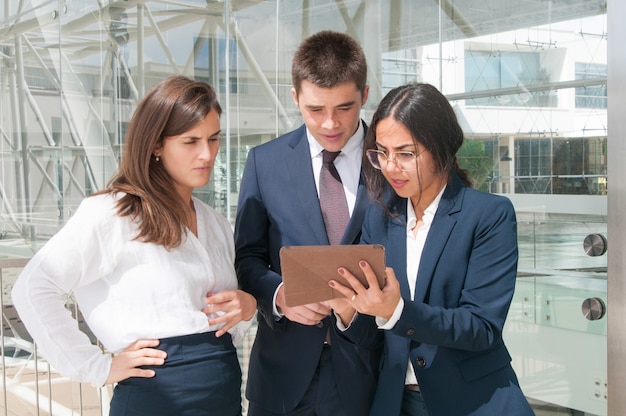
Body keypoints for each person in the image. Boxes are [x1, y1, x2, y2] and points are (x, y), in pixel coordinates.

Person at [11, 75, 256, 416]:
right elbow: (33, 287)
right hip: (156, 393)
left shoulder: (214, 221)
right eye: (190, 141)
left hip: (223, 385)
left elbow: (219, 318)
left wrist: (246, 308)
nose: (207, 154)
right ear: (156, 144)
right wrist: (96, 367)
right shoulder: (114, 212)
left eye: (214, 139)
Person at [328, 83, 534, 416]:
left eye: (405, 153)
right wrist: (349, 311)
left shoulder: (488, 215)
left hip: (473, 401)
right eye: (382, 152)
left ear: (441, 148)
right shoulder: (378, 219)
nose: (391, 166)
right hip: (396, 401)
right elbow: (375, 333)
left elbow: (481, 327)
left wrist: (397, 311)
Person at [234, 30, 382, 416]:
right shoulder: (265, 163)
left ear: (365, 95)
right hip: (281, 375)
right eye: (315, 109)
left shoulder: (391, 164)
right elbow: (246, 258)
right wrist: (281, 297)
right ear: (295, 97)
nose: (330, 124)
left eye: (345, 108)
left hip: (367, 372)